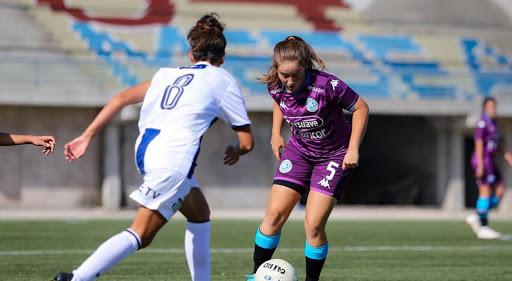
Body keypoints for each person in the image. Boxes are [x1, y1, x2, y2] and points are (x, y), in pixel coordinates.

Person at [53, 13, 254, 281]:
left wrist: (87, 135)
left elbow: (120, 98)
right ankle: (77, 278)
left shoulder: (166, 75)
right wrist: (236, 151)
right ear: (223, 56)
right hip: (174, 158)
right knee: (142, 233)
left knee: (199, 213)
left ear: (191, 55)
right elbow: (247, 142)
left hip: (146, 152)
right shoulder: (223, 80)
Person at [246, 36, 369, 281]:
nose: (289, 82)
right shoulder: (275, 83)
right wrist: (275, 133)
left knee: (313, 225)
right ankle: (254, 275)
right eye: (284, 75)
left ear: (306, 67)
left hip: (334, 156)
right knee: (273, 217)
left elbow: (361, 108)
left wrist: (354, 148)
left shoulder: (328, 85)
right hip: (299, 151)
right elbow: (279, 102)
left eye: (295, 75)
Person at [465, 97, 512, 239]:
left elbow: (496, 143)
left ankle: (477, 216)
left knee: (500, 191)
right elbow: (479, 143)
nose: (493, 109)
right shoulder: (482, 123)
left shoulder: (494, 124)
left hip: (491, 161)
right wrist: (480, 164)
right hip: (483, 161)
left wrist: (507, 155)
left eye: (494, 106)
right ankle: (483, 227)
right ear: (484, 108)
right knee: (485, 191)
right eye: (490, 106)